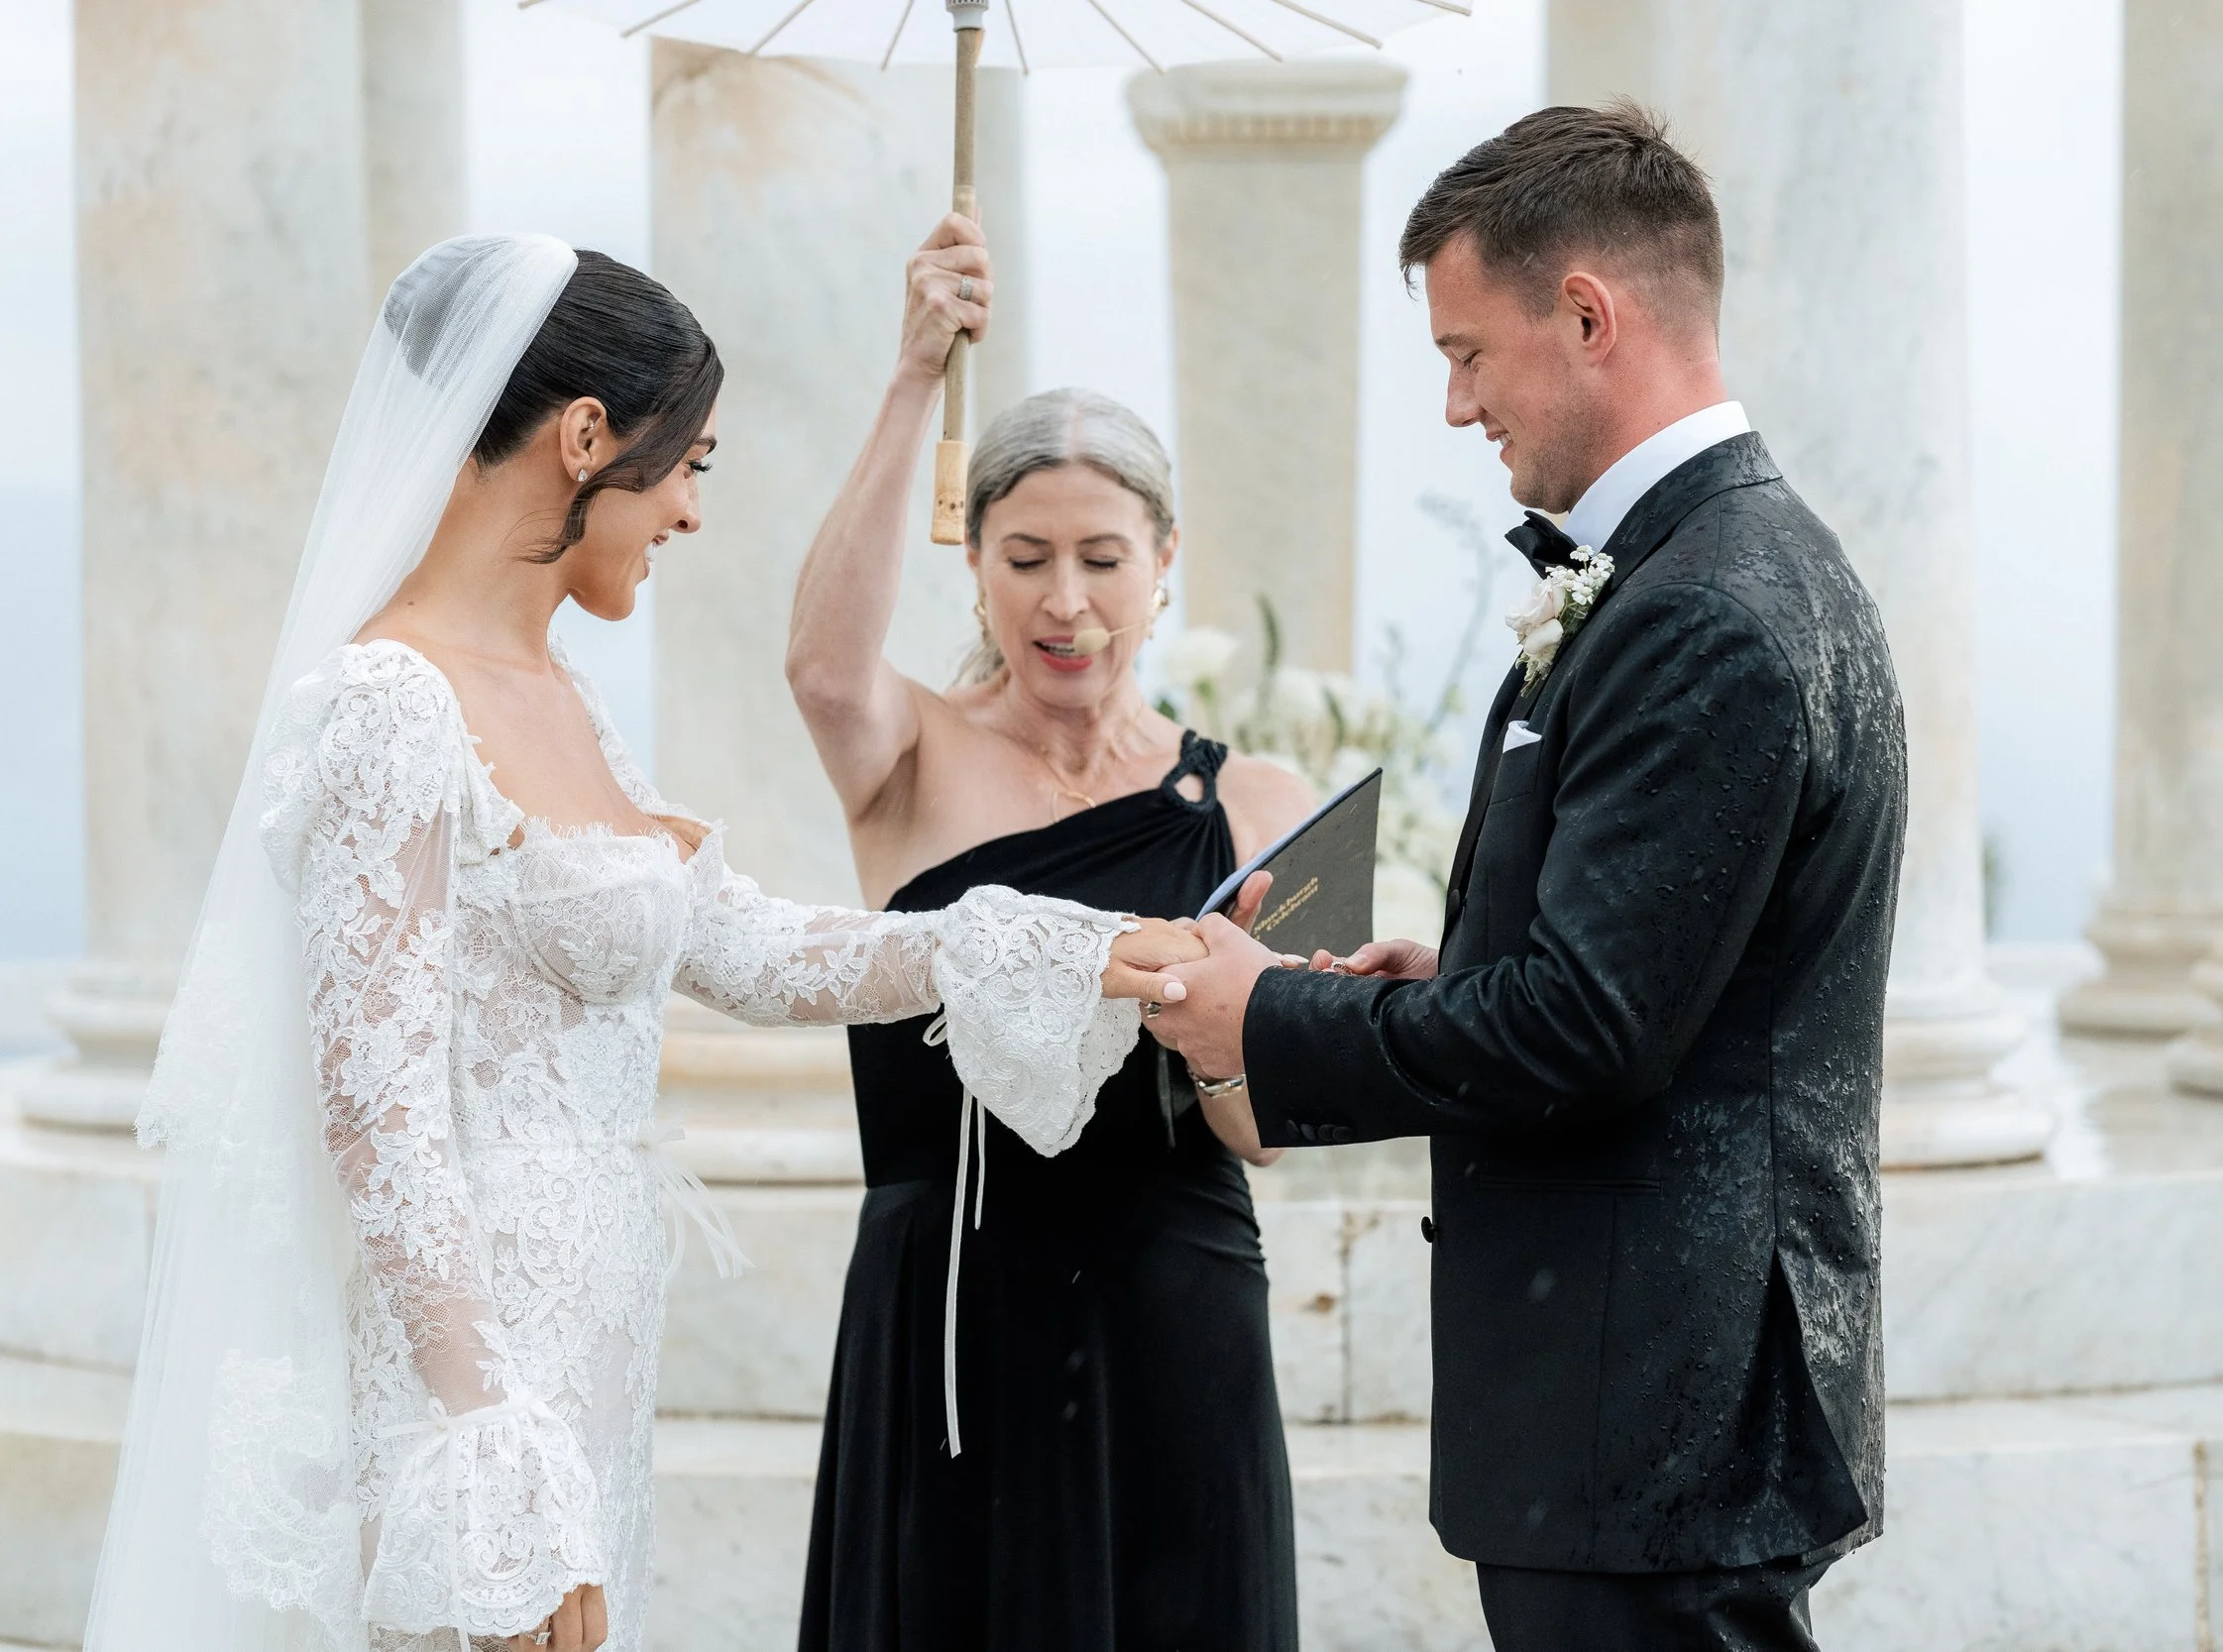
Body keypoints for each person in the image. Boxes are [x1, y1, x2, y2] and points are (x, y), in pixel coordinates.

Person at [83, 235, 1202, 1652]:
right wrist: (489, 1452)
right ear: (585, 436)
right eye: (688, 465)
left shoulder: (563, 695)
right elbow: (380, 1113)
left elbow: (750, 946)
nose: (687, 511)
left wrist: (1079, 947)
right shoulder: (389, 703)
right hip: (468, 1385)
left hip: (592, 1354)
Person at [1149, 101, 1906, 1651]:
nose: (1452, 404)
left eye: (1468, 351)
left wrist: (1265, 1018)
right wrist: (1459, 975)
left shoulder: (1707, 614)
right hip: (1649, 1401)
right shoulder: (1717, 570)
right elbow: (1642, 977)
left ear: (1587, 315)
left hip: (1657, 1408)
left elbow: (1589, 1031)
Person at [782, 216, 1319, 1652]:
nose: (1063, 601)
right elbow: (824, 665)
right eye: (1023, 557)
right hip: (955, 1316)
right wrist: (912, 374)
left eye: (1098, 557)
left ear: (1164, 564)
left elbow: (1270, 1126)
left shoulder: (1261, 799)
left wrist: (1216, 1032)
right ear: (974, 563)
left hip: (1178, 1304)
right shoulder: (911, 762)